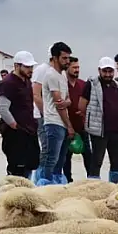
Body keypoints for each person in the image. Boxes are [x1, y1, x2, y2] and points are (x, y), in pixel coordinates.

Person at [80, 57, 118, 182]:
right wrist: (89, 122)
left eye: (110, 71)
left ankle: (115, 186)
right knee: (96, 161)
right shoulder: (92, 84)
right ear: (99, 70)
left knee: (117, 162)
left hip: (117, 130)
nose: (108, 74)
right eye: (105, 71)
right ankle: (93, 185)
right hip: (99, 131)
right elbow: (82, 105)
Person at [33, 42, 74, 185]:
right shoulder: (50, 75)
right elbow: (59, 104)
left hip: (61, 121)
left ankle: (55, 182)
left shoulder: (62, 75)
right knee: (51, 158)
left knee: (60, 159)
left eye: (68, 58)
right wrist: (69, 125)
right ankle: (45, 184)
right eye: (64, 58)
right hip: (54, 121)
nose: (67, 61)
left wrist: (66, 102)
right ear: (55, 58)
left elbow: (67, 99)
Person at [0, 51, 39, 179]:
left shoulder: (27, 81)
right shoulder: (8, 82)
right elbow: (3, 107)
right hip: (16, 132)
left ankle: (26, 192)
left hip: (28, 129)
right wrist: (14, 125)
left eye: (31, 67)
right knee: (16, 168)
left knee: (30, 164)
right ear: (17, 66)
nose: (30, 70)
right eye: (27, 67)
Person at [61, 58, 90, 182]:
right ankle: (68, 180)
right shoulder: (62, 84)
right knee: (65, 157)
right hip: (66, 125)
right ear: (67, 68)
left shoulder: (83, 84)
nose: (77, 70)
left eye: (78, 67)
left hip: (83, 126)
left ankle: (91, 179)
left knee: (88, 155)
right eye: (74, 67)